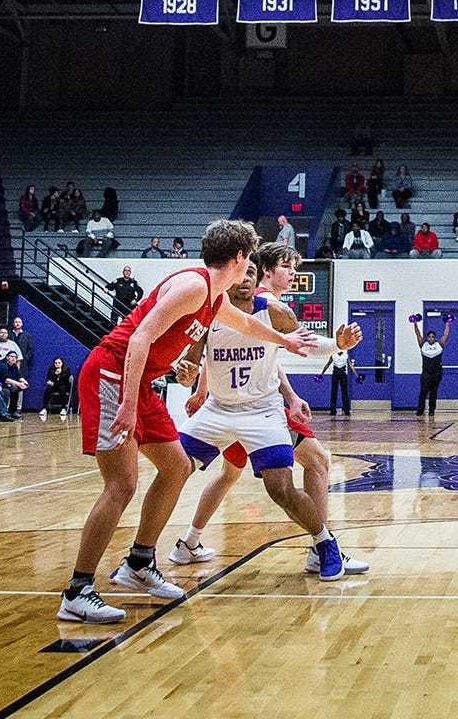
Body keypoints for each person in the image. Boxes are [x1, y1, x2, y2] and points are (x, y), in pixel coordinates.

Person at [59, 219, 310, 625]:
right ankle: (77, 590)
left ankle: (139, 562)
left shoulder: (213, 297)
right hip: (111, 375)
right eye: (249, 260)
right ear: (240, 258)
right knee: (121, 484)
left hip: (139, 383)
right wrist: (126, 403)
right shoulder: (193, 285)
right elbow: (139, 337)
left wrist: (288, 341)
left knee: (177, 467)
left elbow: (246, 323)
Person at [170, 243, 367, 580]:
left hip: (261, 412)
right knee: (171, 470)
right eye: (241, 271)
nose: (246, 277)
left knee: (280, 488)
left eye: (251, 272)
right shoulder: (207, 312)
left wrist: (337, 345)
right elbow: (190, 359)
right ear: (228, 276)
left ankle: (324, 543)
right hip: (218, 410)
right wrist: (185, 374)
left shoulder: (274, 311)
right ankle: (144, 554)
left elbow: (305, 342)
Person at [413, 312, 452, 416]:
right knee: (423, 392)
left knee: (433, 393)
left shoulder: (439, 345)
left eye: (432, 337)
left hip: (436, 373)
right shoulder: (423, 345)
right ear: (427, 338)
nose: (431, 338)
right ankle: (420, 411)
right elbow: (417, 334)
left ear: (435, 338)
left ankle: (431, 411)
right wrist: (415, 323)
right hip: (426, 373)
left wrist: (447, 324)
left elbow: (445, 334)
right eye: (429, 337)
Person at [326, 340, 353, 416]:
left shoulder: (346, 355)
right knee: (334, 392)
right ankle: (333, 410)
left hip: (343, 374)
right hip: (335, 374)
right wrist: (321, 373)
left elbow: (350, 365)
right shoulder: (333, 354)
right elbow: (328, 364)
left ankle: (346, 409)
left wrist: (356, 374)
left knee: (345, 393)